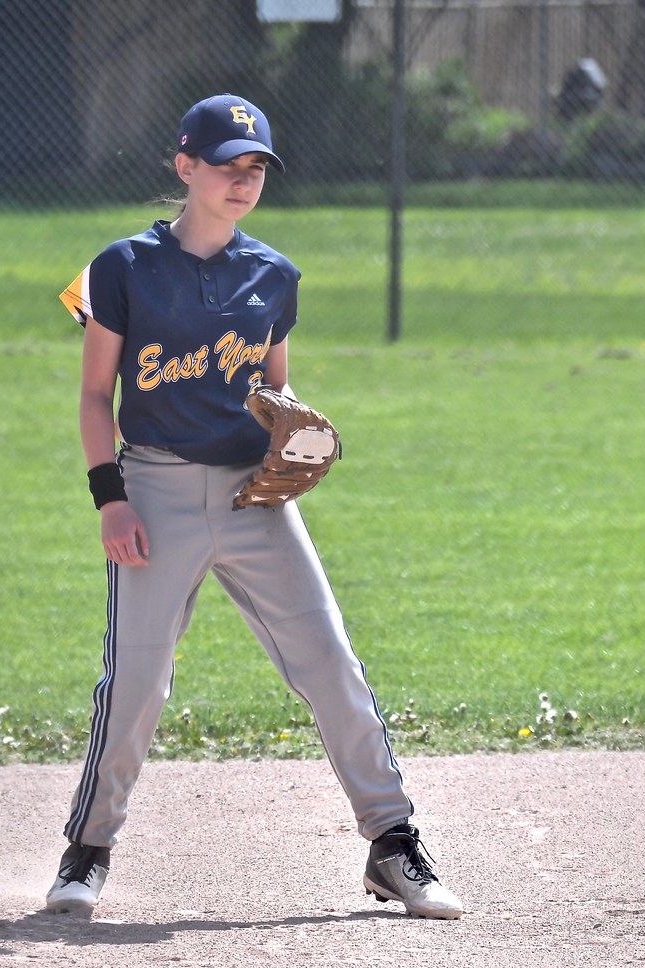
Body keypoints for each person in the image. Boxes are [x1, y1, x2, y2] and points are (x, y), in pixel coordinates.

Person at [47, 94, 463, 920]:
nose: (242, 182)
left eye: (255, 170)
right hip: (155, 492)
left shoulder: (273, 274)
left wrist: (294, 429)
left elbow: (275, 388)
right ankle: (87, 852)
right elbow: (96, 396)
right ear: (184, 165)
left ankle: (393, 842)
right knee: (135, 683)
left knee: (330, 661)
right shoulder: (121, 267)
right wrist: (111, 499)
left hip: (253, 497)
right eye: (227, 165)